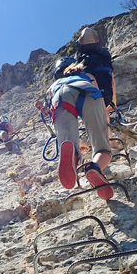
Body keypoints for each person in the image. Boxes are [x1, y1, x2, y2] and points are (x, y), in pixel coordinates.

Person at [43, 56, 113, 200]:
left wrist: (78, 143)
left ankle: (73, 155)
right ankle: (95, 167)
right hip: (88, 91)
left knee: (68, 143)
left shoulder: (53, 86)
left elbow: (49, 110)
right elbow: (98, 94)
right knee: (102, 149)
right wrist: (106, 129)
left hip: (60, 96)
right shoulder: (87, 75)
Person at [75, 27, 117, 117]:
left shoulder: (80, 60)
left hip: (85, 100)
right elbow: (111, 79)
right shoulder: (104, 57)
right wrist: (114, 105)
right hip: (105, 96)